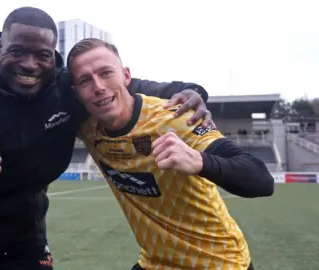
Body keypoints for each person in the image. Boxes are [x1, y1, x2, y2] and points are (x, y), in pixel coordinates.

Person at [0, 7, 214, 270]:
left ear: (53, 55)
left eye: (42, 55)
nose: (30, 65)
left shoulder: (66, 90)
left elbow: (127, 89)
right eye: (17, 52)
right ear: (0, 47)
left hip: (23, 231)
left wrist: (192, 92)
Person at [67, 38, 274, 269]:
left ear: (126, 76)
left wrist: (199, 161)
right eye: (86, 80)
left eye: (106, 73)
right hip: (156, 261)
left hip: (218, 262)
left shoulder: (175, 117)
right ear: (76, 93)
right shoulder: (87, 127)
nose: (98, 86)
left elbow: (262, 180)